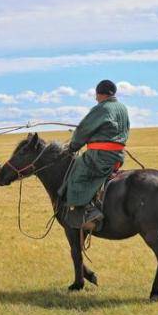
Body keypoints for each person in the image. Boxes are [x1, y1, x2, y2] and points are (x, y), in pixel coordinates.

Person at [59, 80, 130, 231]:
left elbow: (83, 129)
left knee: (76, 172)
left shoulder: (102, 108)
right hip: (117, 156)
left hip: (100, 156)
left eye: (96, 95)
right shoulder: (122, 108)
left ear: (99, 94)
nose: (96, 98)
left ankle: (88, 211)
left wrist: (72, 147)